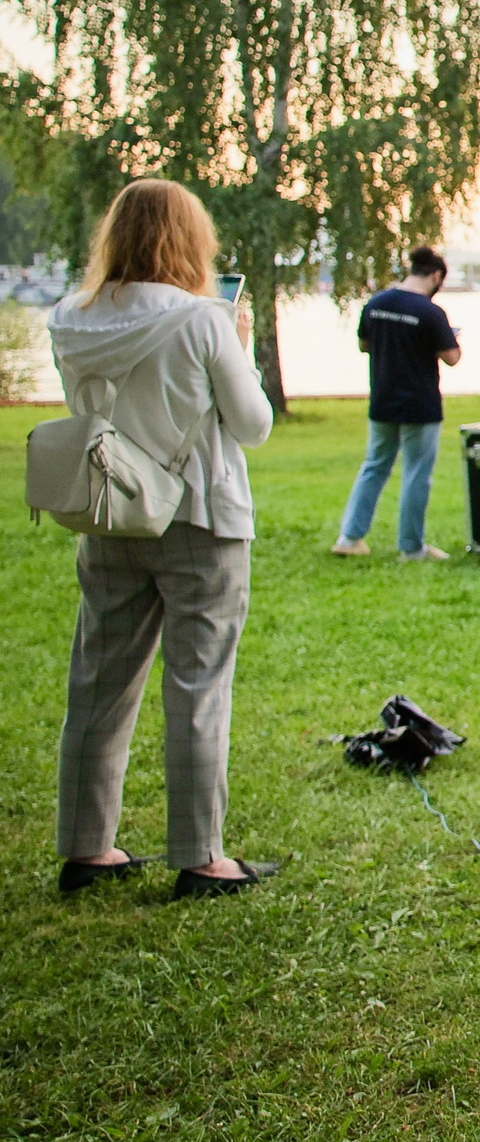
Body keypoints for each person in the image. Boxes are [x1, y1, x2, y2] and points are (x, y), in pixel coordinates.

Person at [46, 179, 278, 898]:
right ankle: (201, 856)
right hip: (200, 517)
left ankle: (87, 846)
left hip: (112, 511)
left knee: (98, 683)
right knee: (198, 685)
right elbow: (253, 424)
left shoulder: (69, 318)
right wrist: (243, 349)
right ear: (188, 238)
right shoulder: (203, 320)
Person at [332, 247, 463, 561]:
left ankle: (349, 537)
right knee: (417, 473)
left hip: (383, 398)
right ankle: (411, 546)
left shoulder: (376, 304)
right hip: (420, 404)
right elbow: (452, 357)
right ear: (436, 276)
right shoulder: (431, 313)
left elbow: (365, 344)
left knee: (374, 467)